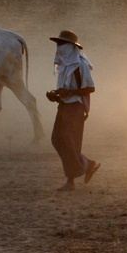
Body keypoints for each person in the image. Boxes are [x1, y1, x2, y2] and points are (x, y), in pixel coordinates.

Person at [47, 29, 98, 191]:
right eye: (58, 43)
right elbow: (65, 89)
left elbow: (90, 88)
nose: (59, 47)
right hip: (64, 105)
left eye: (62, 44)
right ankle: (86, 163)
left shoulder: (80, 65)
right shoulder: (64, 64)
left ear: (70, 46)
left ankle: (71, 182)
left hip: (75, 107)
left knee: (70, 142)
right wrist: (55, 95)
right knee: (57, 140)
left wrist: (69, 93)